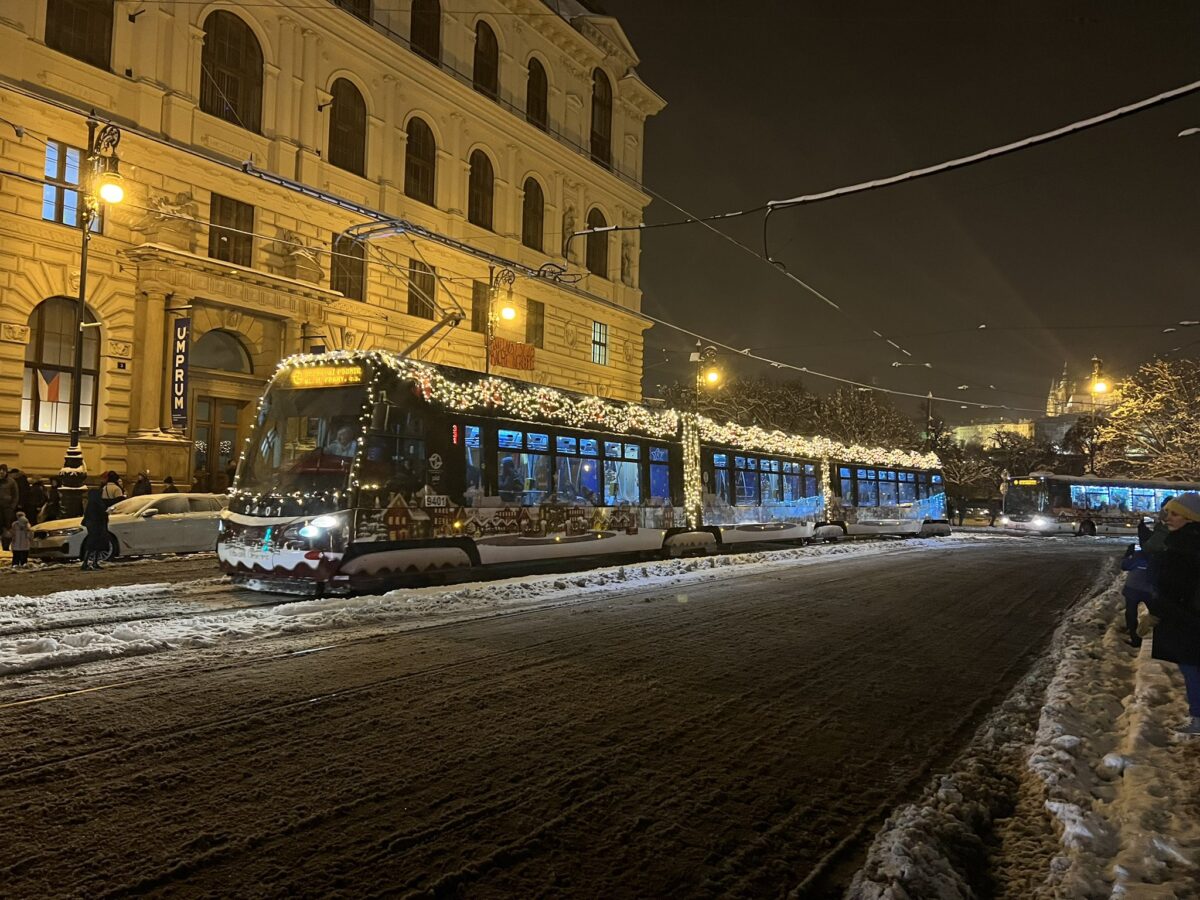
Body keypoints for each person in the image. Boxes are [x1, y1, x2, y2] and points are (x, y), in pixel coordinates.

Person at [1144, 492, 1200, 737]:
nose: (1168, 518)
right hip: (1190, 615)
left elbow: (1173, 587)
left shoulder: (1182, 546)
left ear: (1190, 518)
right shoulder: (1186, 541)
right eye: (1168, 512)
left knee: (1191, 668)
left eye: (1175, 513)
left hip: (1185, 618)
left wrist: (1155, 612)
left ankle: (1198, 718)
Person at [80, 486, 110, 570]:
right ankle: (91, 563)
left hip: (94, 527)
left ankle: (89, 563)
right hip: (97, 526)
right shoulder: (97, 504)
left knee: (94, 545)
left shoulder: (91, 504)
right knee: (94, 545)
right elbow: (100, 515)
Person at [0, 465, 16, 550]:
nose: (1, 472)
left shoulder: (11, 482)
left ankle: (5, 547)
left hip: (7, 508)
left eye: (3, 470)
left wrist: (12, 507)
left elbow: (15, 495)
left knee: (7, 527)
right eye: (0, 470)